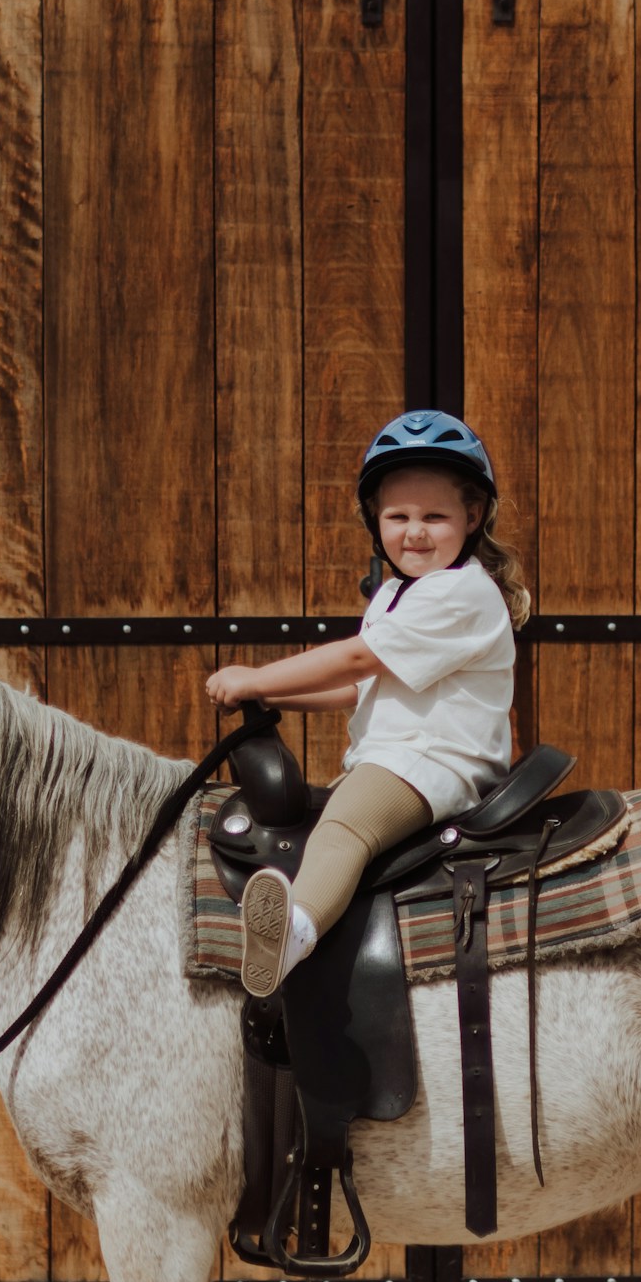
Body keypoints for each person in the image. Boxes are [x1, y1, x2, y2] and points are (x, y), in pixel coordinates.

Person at [204, 412, 529, 997]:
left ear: (473, 517)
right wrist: (271, 695)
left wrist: (255, 677)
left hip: (435, 761)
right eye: (398, 516)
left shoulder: (461, 592)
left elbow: (356, 661)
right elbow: (359, 689)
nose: (415, 532)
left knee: (343, 831)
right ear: (375, 521)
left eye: (435, 516)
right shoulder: (395, 594)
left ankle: (292, 936)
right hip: (398, 760)